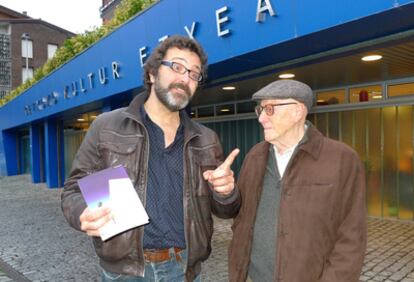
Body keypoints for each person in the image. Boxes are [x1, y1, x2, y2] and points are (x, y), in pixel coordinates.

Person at [61, 35, 240, 282]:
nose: (185, 78)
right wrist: (83, 212)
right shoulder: (107, 126)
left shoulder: (207, 139)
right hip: (124, 272)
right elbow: (73, 189)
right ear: (153, 74)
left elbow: (226, 209)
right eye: (177, 67)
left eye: (194, 73)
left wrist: (226, 191)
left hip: (183, 268)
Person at [228, 79, 366, 282]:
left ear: (298, 111)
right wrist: (225, 194)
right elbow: (238, 215)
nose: (261, 118)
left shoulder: (342, 159)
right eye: (260, 110)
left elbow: (351, 239)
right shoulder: (255, 156)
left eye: (270, 109)